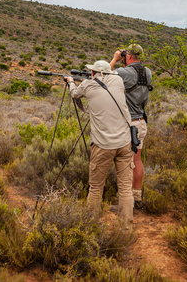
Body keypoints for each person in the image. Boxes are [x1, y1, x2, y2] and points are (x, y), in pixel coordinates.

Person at [64, 60, 134, 228]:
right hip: (125, 142)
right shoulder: (118, 80)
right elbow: (110, 75)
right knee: (125, 188)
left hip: (103, 145)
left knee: (96, 188)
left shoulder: (88, 85)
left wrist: (71, 81)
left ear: (94, 73)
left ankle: (91, 227)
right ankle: (125, 228)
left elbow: (74, 94)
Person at [110, 44, 152, 210]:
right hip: (141, 121)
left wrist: (114, 60)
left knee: (126, 162)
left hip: (129, 124)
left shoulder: (123, 72)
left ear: (128, 56)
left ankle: (125, 203)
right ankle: (136, 198)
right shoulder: (147, 72)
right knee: (137, 160)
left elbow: (102, 76)